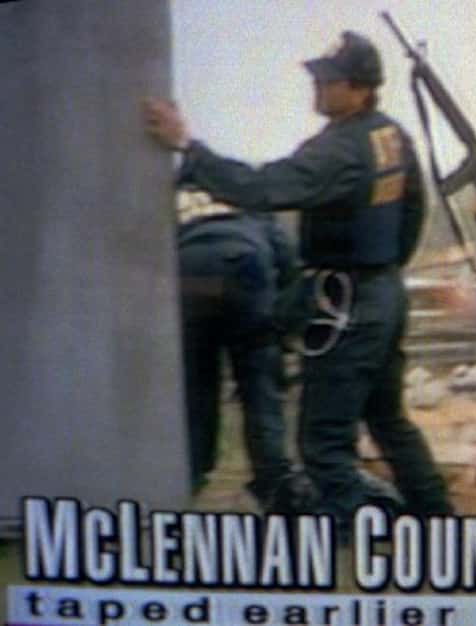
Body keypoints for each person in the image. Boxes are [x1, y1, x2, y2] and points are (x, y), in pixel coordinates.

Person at [144, 31, 453, 535]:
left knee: (324, 444)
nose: (318, 88)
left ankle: (355, 536)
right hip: (383, 292)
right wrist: (382, 272)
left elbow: (261, 188)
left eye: (329, 81)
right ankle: (439, 522)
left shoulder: (338, 149)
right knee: (389, 420)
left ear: (359, 89)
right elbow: (413, 213)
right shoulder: (390, 135)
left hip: (346, 301)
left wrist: (187, 146)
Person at [176, 186, 314, 514]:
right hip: (245, 272)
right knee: (259, 386)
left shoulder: (183, 211)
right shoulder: (256, 211)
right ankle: (274, 481)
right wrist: (283, 334)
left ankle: (193, 472)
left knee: (198, 384)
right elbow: (294, 272)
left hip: (189, 273)